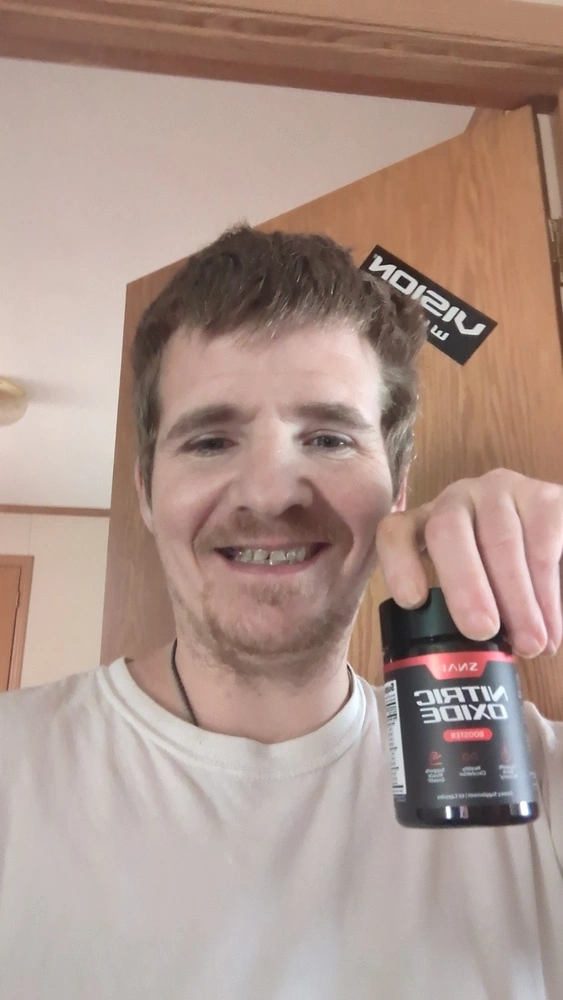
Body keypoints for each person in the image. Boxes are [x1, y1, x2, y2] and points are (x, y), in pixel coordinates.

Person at [0, 226, 562, 1000]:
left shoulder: (530, 777)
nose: (269, 494)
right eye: (210, 441)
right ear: (144, 492)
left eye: (328, 437)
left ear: (397, 491)